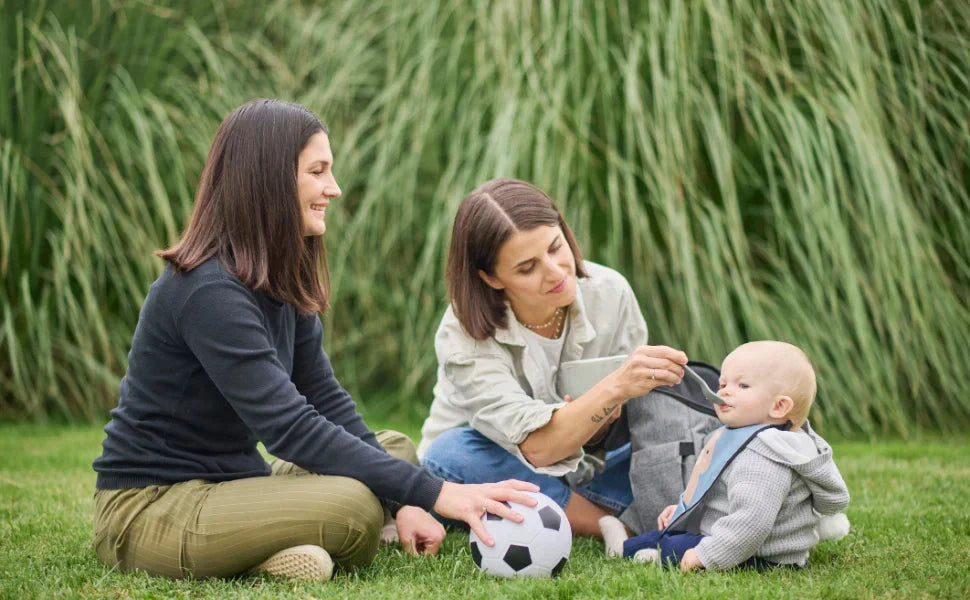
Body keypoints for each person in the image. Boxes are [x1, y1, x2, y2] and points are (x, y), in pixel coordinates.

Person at [91, 100, 539, 582]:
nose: (335, 188)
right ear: (269, 179)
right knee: (351, 509)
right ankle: (269, 550)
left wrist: (404, 497)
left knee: (393, 448)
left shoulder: (279, 277)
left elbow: (325, 399)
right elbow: (289, 428)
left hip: (236, 484)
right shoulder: (206, 291)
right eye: (318, 171)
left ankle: (274, 548)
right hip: (153, 508)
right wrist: (435, 494)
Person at [417, 178, 712, 536]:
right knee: (449, 454)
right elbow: (538, 449)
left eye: (556, 247)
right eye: (528, 268)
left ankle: (589, 508)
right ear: (491, 278)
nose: (556, 271)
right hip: (495, 465)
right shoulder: (463, 333)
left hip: (587, 468)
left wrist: (605, 418)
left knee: (673, 439)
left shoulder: (609, 292)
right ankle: (617, 522)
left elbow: (613, 434)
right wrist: (614, 388)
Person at [599, 341, 851, 571]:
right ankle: (624, 547)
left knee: (678, 546)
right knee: (666, 535)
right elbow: (720, 494)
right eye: (723, 384)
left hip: (762, 556)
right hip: (732, 536)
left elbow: (752, 523)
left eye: (742, 385)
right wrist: (682, 509)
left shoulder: (765, 456)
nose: (726, 391)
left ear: (778, 406)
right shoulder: (742, 436)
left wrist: (707, 556)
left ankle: (643, 554)